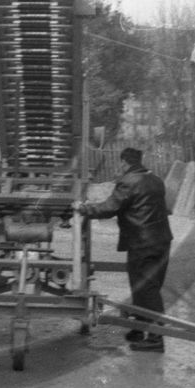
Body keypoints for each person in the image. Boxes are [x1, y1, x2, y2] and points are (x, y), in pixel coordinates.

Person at [77, 147, 172, 352]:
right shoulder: (156, 180)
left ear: (124, 163)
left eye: (120, 164)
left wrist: (83, 208)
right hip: (162, 241)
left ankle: (156, 338)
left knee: (146, 289)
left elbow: (109, 208)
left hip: (142, 243)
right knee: (147, 286)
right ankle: (138, 329)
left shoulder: (128, 182)